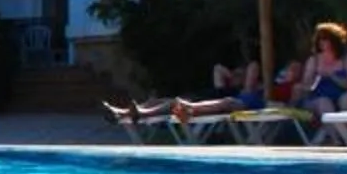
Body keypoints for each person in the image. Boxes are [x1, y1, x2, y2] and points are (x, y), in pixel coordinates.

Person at [102, 58, 262, 131]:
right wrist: (234, 75)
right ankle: (121, 113)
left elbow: (254, 66)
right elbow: (218, 68)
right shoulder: (224, 87)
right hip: (197, 102)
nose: (238, 76)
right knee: (159, 100)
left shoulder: (245, 94)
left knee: (176, 104)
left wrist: (239, 78)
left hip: (192, 110)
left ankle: (141, 113)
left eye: (243, 74)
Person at [294, 22, 347, 115]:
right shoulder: (313, 60)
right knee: (324, 103)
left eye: (324, 39)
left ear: (334, 40)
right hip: (318, 97)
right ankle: (338, 130)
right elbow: (306, 86)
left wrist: (332, 75)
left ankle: (339, 129)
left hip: (341, 94)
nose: (321, 42)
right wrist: (316, 77)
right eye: (319, 39)